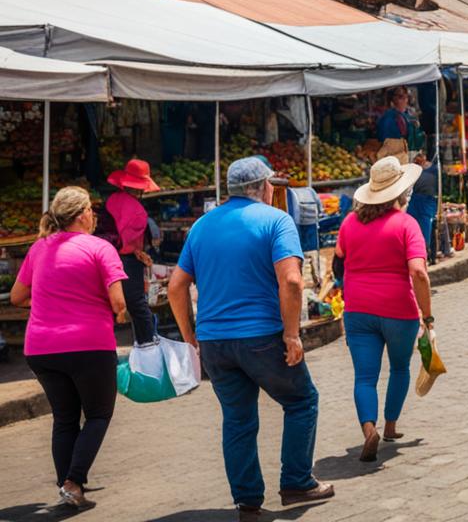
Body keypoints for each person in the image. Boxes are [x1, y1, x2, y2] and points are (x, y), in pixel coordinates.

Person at [168, 157, 333, 522]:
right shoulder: (276, 221)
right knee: (302, 401)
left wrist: (191, 337)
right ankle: (296, 481)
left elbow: (176, 286)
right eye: (271, 184)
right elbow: (290, 281)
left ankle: (247, 502)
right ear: (262, 187)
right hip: (261, 336)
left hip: (214, 342)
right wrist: (291, 334)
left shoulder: (201, 226)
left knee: (238, 419)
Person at [10, 187, 127, 512]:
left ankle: (68, 488)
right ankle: (74, 481)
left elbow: (18, 297)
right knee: (99, 414)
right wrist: (111, 310)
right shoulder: (100, 248)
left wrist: (50, 304)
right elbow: (118, 302)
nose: (94, 214)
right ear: (80, 216)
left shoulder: (38, 249)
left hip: (41, 348)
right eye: (91, 209)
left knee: (64, 418)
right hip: (89, 343)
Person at [334, 157, 433, 462]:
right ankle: (390, 426)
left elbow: (338, 263)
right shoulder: (407, 224)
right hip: (398, 311)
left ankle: (368, 430)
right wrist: (427, 316)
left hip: (358, 310)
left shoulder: (349, 223)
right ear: (401, 193)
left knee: (364, 376)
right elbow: (418, 273)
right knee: (400, 368)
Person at [103, 158, 159, 346]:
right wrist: (139, 252)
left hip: (104, 257)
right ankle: (147, 343)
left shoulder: (112, 200)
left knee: (106, 303)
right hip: (126, 260)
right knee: (137, 304)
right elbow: (130, 244)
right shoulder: (138, 211)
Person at [407, 153, 439, 262]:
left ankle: (428, 254)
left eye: (419, 157)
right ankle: (419, 253)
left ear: (424, 158)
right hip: (415, 201)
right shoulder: (412, 170)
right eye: (416, 158)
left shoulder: (433, 169)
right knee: (414, 228)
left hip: (427, 202)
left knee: (427, 229)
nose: (417, 159)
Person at [376, 87, 418, 156]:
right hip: (392, 154)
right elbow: (385, 140)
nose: (405, 99)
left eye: (406, 96)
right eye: (401, 97)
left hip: (408, 152)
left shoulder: (407, 115)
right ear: (393, 99)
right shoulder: (387, 118)